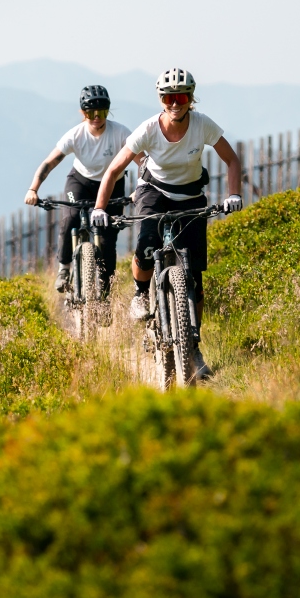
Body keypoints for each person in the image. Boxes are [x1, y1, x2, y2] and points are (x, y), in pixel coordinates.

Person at [91, 67, 242, 380]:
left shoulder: (202, 126)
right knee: (147, 247)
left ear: (190, 98)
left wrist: (234, 194)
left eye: (182, 96)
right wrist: (100, 208)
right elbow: (114, 170)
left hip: (190, 196)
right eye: (169, 97)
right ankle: (140, 292)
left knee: (195, 276)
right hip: (153, 191)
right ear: (162, 99)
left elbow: (232, 159)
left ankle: (194, 347)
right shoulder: (148, 129)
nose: (176, 102)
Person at [25, 85, 132, 293]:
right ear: (83, 113)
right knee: (71, 218)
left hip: (113, 185)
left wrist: (143, 187)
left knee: (109, 239)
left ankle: (105, 294)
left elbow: (141, 160)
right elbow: (50, 162)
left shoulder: (121, 133)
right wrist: (33, 189)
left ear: (107, 111)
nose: (96, 117)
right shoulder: (76, 135)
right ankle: (64, 268)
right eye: (91, 112)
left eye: (101, 112)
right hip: (81, 181)